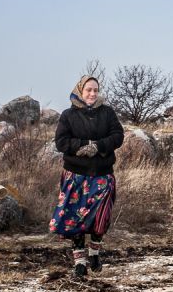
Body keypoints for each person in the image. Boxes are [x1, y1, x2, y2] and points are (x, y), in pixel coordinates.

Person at [50, 75, 125, 278]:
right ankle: (80, 263)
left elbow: (118, 136)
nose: (92, 94)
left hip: (102, 175)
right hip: (75, 175)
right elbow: (61, 141)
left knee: (100, 219)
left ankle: (94, 253)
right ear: (80, 91)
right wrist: (82, 146)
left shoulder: (108, 113)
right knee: (75, 220)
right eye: (88, 90)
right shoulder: (68, 115)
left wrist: (98, 147)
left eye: (95, 90)